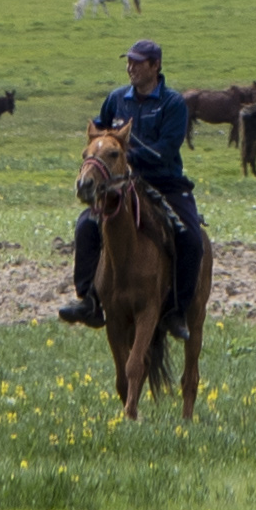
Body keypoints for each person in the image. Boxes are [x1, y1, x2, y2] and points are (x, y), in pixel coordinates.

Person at [61, 38, 203, 331]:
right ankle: (88, 299)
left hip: (165, 183)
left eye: (137, 63)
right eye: (128, 62)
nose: (130, 68)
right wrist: (99, 157)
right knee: (85, 226)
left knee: (191, 239)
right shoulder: (116, 99)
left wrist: (126, 157)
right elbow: (99, 135)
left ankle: (177, 310)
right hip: (119, 185)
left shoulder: (173, 104)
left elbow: (166, 150)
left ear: (155, 65)